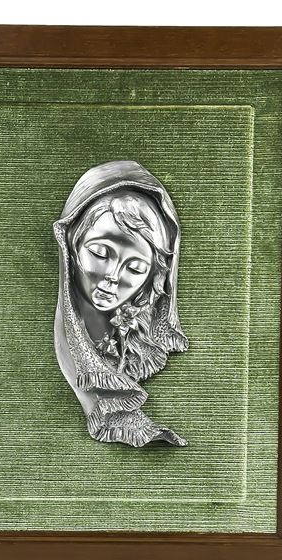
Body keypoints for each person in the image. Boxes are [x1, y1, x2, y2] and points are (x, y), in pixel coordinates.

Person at [53, 160, 189, 447]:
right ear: (71, 245)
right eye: (100, 253)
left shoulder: (140, 342)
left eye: (136, 268)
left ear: (154, 277)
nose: (113, 276)